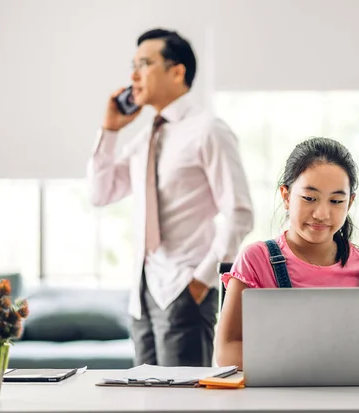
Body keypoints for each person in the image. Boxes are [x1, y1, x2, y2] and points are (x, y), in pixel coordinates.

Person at [88, 28, 253, 367]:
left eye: (144, 64)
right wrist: (109, 130)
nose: (133, 75)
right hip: (142, 293)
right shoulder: (146, 136)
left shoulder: (209, 130)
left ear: (177, 71)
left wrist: (200, 281)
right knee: (147, 399)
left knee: (184, 402)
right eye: (132, 65)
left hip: (184, 288)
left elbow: (239, 213)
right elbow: (100, 193)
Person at [215, 137, 359, 370]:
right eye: (309, 198)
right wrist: (312, 364)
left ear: (350, 203)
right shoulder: (255, 259)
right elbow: (226, 351)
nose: (322, 213)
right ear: (286, 196)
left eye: (336, 201)